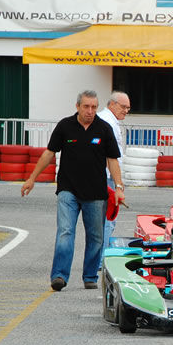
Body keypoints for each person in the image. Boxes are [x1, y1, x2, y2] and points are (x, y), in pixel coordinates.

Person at [21, 90, 124, 292]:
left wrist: (119, 188)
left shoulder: (104, 129)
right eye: (86, 106)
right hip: (68, 189)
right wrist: (32, 178)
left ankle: (89, 276)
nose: (90, 111)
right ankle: (59, 275)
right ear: (77, 106)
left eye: (94, 107)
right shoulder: (65, 126)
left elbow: (113, 160)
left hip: (96, 193)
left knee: (95, 237)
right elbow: (49, 153)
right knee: (65, 233)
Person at [97, 91, 130, 249]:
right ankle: (102, 258)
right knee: (108, 219)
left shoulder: (109, 120)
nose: (126, 110)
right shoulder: (107, 121)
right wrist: (117, 183)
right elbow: (106, 153)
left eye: (128, 108)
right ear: (112, 104)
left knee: (105, 219)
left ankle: (99, 258)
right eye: (123, 107)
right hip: (107, 178)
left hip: (107, 176)